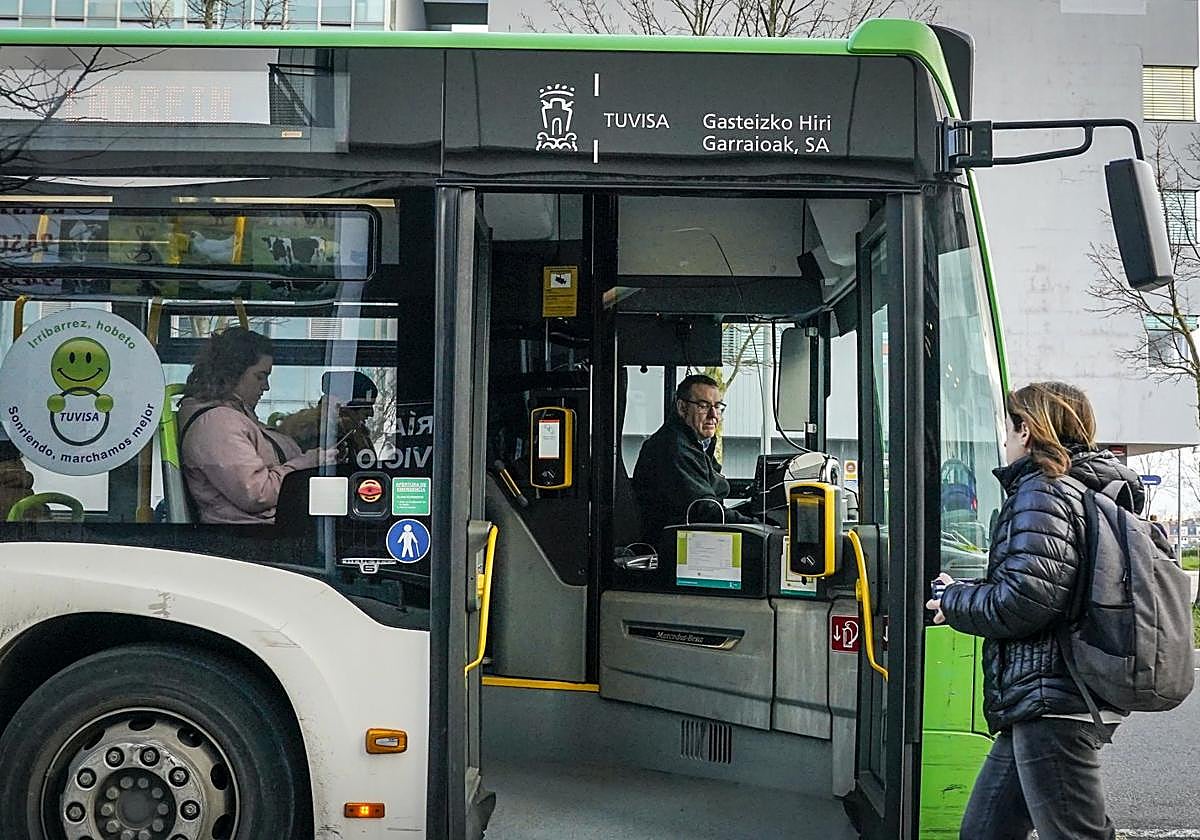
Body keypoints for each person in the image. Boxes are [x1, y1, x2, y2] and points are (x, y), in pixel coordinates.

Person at [927, 382, 1139, 840]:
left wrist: (952, 600)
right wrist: (965, 591)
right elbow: (1044, 584)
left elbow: (1026, 599)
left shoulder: (1044, 491)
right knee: (985, 833)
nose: (1004, 439)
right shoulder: (1083, 489)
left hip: (1053, 702)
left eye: (1008, 427)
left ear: (1026, 429)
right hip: (1044, 699)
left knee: (1075, 834)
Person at [178, 327, 331, 525]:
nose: (265, 387)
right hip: (252, 533)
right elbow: (257, 493)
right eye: (260, 376)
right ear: (232, 374)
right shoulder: (218, 425)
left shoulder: (237, 415)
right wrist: (307, 464)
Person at [632, 374, 755, 543]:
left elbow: (713, 488)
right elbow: (705, 509)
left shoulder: (697, 443)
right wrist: (759, 526)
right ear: (682, 408)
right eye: (703, 406)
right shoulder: (674, 448)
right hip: (671, 549)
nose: (713, 415)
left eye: (718, 406)